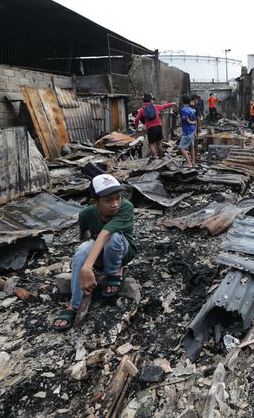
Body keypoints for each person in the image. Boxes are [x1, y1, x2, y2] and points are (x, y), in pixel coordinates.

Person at [53, 174, 136, 331]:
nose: (115, 204)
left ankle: (114, 271)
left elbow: (106, 233)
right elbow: (85, 239)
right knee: (81, 250)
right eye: (108, 200)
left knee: (114, 237)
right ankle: (74, 304)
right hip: (100, 253)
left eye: (118, 198)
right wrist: (84, 262)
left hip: (123, 251)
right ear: (95, 202)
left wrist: (87, 267)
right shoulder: (86, 214)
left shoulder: (126, 207)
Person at [134, 93, 175, 158]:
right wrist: (171, 104)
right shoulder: (155, 106)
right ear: (150, 100)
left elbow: (136, 119)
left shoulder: (142, 109)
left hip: (151, 128)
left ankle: (155, 157)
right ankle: (161, 157)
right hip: (159, 126)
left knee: (151, 145)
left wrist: (136, 127)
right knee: (159, 144)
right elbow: (164, 106)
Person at [179, 94, 197, 167]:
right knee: (191, 147)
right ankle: (193, 162)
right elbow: (195, 120)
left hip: (187, 131)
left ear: (182, 101)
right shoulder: (191, 109)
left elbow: (187, 121)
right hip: (192, 130)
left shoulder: (183, 110)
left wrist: (190, 122)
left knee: (181, 148)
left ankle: (189, 163)